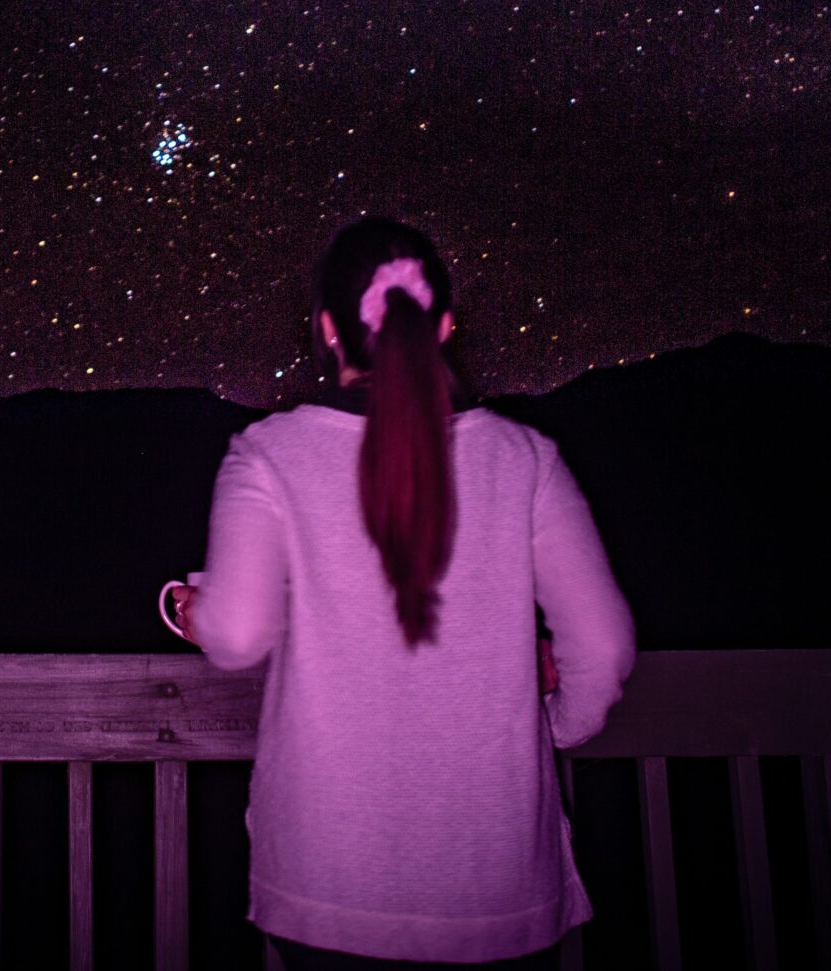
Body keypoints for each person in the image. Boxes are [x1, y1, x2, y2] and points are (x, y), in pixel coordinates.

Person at [179, 218, 634, 968]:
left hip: (327, 887)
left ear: (328, 329)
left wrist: (197, 609)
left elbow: (235, 635)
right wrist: (556, 723)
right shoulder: (526, 459)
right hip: (498, 889)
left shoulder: (269, 455)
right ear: (446, 325)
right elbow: (606, 644)